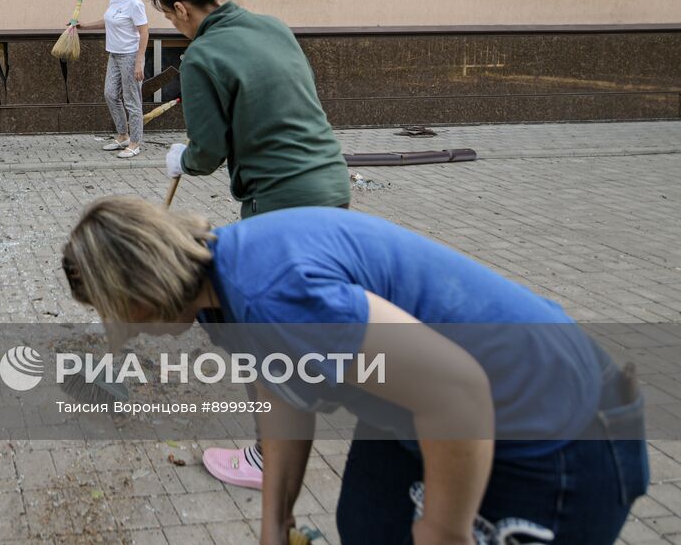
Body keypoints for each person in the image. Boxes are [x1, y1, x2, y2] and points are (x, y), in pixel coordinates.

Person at [63, 197, 649, 545]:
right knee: (369, 522)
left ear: (145, 286)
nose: (124, 328)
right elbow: (283, 394)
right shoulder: (217, 290)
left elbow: (458, 391)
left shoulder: (275, 293)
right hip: (435, 409)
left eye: (115, 310)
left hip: (559, 431)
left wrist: (443, 533)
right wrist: (276, 521)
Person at [152, 0, 350, 488]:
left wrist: (183, 159)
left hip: (280, 201)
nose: (175, 27)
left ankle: (268, 457)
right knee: (308, 305)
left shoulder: (202, 56)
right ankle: (326, 382)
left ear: (179, 8)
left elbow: (210, 149)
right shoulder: (273, 26)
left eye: (171, 19)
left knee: (260, 329)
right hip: (331, 182)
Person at [77, 0, 149, 159]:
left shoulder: (135, 3)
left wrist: (139, 62)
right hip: (114, 54)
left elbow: (144, 33)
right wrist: (85, 26)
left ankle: (135, 143)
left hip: (130, 55)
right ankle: (123, 136)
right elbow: (108, 21)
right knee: (110, 94)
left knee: (132, 101)